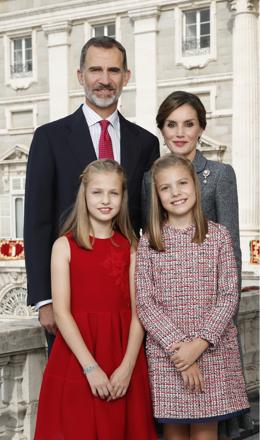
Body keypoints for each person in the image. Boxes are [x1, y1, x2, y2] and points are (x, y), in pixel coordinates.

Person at [24, 36, 159, 349]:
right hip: (67, 295)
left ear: (126, 77)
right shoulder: (49, 138)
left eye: (113, 70)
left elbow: (150, 223)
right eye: (95, 70)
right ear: (80, 76)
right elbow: (37, 222)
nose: (104, 80)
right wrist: (44, 299)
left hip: (126, 297)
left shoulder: (145, 143)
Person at [34, 159, 157, 439]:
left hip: (123, 353)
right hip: (77, 357)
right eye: (97, 192)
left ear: (122, 197)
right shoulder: (63, 246)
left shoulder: (131, 247)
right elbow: (62, 313)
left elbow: (140, 313)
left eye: (113, 193)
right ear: (84, 195)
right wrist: (90, 368)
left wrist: (127, 367)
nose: (105, 200)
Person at [136, 153, 250, 440]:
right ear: (157, 195)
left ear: (195, 187)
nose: (176, 192)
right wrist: (179, 351)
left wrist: (197, 346)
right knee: (174, 432)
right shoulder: (149, 241)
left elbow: (227, 296)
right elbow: (145, 303)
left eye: (182, 183)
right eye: (166, 187)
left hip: (212, 351)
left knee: (205, 433)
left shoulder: (219, 236)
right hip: (168, 356)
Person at [142, 91, 241, 282]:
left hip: (210, 293)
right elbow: (150, 243)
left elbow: (232, 248)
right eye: (171, 125)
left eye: (189, 124)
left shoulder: (220, 175)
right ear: (162, 130)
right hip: (165, 292)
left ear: (201, 128)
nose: (180, 133)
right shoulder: (150, 179)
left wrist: (229, 308)